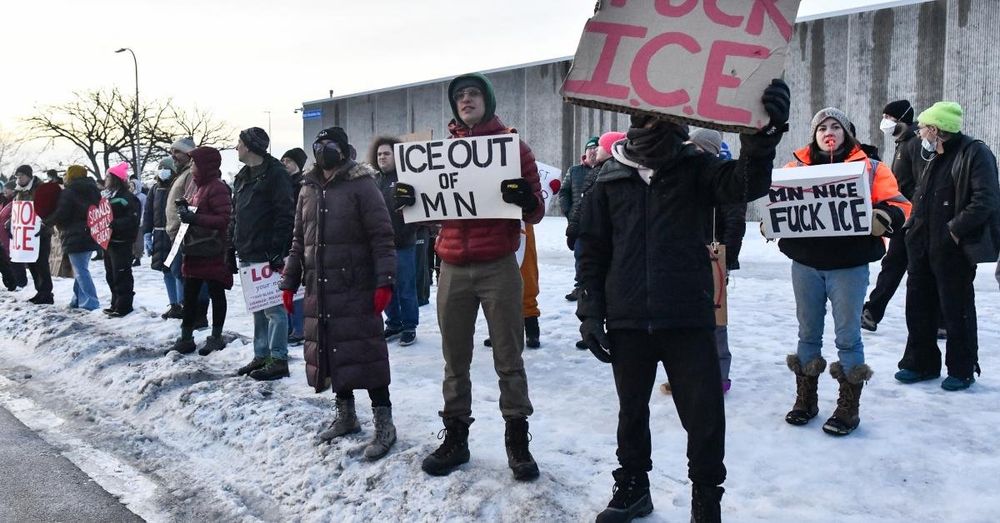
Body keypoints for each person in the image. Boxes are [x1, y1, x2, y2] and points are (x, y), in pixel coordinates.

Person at [578, 81, 789, 523]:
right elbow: (593, 248)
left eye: (666, 114)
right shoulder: (609, 175)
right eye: (649, 114)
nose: (657, 121)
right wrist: (591, 312)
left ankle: (706, 499)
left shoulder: (698, 167)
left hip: (687, 314)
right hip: (628, 317)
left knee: (704, 414)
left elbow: (748, 183)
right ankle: (633, 487)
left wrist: (762, 136)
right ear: (634, 117)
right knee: (631, 411)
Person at [395, 73, 543, 481]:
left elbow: (536, 212)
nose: (466, 100)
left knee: (509, 359)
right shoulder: (438, 155)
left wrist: (526, 199)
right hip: (453, 267)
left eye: (473, 93)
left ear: (488, 101)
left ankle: (518, 441)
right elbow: (428, 210)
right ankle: (456, 437)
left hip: (498, 263)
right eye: (459, 96)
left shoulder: (515, 149)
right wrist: (408, 199)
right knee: (454, 360)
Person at [778, 107, 910, 437]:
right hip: (806, 263)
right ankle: (805, 400)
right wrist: (772, 218)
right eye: (821, 127)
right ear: (814, 135)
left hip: (849, 266)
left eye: (835, 125)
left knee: (847, 335)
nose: (828, 131)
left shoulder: (871, 168)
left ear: (846, 132)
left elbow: (900, 204)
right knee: (807, 333)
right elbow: (779, 201)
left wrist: (886, 216)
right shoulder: (795, 167)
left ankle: (848, 409)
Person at [280, 126, 398, 460]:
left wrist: (384, 281)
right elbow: (298, 240)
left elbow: (382, 237)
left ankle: (384, 424)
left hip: (355, 286)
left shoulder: (362, 185)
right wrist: (289, 283)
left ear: (344, 151)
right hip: (320, 287)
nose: (323, 151)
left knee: (367, 356)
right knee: (332, 352)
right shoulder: (307, 189)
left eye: (330, 145)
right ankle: (345, 415)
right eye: (318, 145)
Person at [896, 101, 1000, 391]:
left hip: (952, 249)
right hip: (920, 245)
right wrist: (911, 227)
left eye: (923, 128)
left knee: (957, 309)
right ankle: (920, 363)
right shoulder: (932, 156)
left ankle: (962, 369)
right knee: (918, 306)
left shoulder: (974, 153)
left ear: (936, 129)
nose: (919, 134)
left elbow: (986, 200)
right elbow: (921, 195)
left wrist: (954, 231)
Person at [230, 127, 295, 380]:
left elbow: (284, 213)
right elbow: (236, 214)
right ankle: (262, 355)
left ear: (250, 146)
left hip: (267, 253)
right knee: (257, 306)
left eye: (239, 143)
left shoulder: (275, 174)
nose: (236, 148)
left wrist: (278, 249)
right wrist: (231, 245)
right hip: (247, 249)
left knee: (273, 308)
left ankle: (278, 358)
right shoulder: (242, 176)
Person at [691, 129, 746, 394]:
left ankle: (720, 374)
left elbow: (735, 222)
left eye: (696, 147)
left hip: (714, 257)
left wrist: (725, 259)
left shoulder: (726, 178)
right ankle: (688, 373)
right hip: (685, 258)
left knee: (715, 320)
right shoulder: (685, 177)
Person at [861, 100, 922, 331]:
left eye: (889, 117)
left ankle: (872, 312)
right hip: (904, 216)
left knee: (904, 267)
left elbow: (921, 181)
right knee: (895, 265)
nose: (884, 121)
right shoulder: (904, 143)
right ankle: (871, 312)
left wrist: (913, 212)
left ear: (902, 119)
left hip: (911, 217)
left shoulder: (914, 144)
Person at [169, 147, 233, 356]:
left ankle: (216, 336)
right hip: (195, 249)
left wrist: (194, 218)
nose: (192, 166)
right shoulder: (197, 187)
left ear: (205, 165)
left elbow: (224, 219)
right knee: (190, 295)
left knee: (216, 293)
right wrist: (186, 211)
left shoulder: (217, 187)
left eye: (195, 163)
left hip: (212, 250)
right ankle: (186, 337)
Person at [568, 131, 624, 350]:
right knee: (587, 273)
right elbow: (578, 202)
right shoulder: (585, 172)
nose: (594, 150)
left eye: (599, 146)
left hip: (599, 238)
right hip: (587, 233)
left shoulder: (608, 174)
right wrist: (573, 226)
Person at [370, 136, 420, 346]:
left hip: (403, 243)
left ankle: (409, 325)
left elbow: (418, 206)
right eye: (379, 154)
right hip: (380, 248)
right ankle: (394, 323)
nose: (382, 157)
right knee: (386, 286)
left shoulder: (406, 178)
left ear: (396, 155)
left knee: (406, 287)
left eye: (387, 153)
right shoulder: (373, 181)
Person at [42, 165, 101, 310]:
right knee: (81, 269)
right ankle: (78, 299)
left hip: (74, 234)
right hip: (90, 233)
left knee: (81, 271)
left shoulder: (69, 192)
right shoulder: (94, 190)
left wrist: (47, 221)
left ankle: (91, 302)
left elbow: (62, 212)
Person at [165, 137, 209, 329]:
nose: (172, 156)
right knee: (179, 272)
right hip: (178, 233)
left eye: (177, 152)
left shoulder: (190, 175)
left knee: (190, 276)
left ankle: (197, 314)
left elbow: (193, 203)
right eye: (172, 152)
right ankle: (189, 310)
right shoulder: (182, 174)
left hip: (186, 233)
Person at [144, 157, 185, 319]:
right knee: (165, 269)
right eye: (160, 168)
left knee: (178, 270)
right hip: (159, 234)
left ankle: (182, 303)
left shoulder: (178, 186)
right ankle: (173, 303)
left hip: (175, 234)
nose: (163, 171)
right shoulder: (155, 189)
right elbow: (148, 213)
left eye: (165, 168)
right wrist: (147, 233)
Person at [560, 136, 599, 301]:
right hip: (579, 223)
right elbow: (564, 192)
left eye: (597, 148)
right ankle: (580, 287)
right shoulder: (574, 171)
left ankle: (597, 288)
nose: (593, 151)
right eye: (590, 148)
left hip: (600, 223)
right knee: (580, 256)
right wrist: (569, 212)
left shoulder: (607, 169)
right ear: (585, 152)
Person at [102, 162, 141, 317]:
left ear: (115, 178)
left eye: (108, 176)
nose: (105, 179)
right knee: (110, 274)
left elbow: (132, 219)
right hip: (108, 242)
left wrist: (114, 224)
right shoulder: (108, 196)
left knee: (121, 274)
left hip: (121, 242)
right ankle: (115, 302)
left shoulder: (127, 198)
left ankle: (124, 305)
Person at [12, 165, 55, 304]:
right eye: (17, 177)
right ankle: (40, 291)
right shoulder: (19, 191)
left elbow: (49, 208)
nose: (19, 179)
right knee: (31, 263)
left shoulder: (40, 189)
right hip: (26, 233)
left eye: (22, 176)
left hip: (41, 232)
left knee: (41, 263)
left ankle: (47, 293)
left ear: (29, 175)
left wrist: (45, 224)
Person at [280, 147, 308, 346]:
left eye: (288, 161)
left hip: (298, 240)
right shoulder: (282, 184)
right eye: (283, 160)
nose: (285, 164)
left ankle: (299, 328)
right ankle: (290, 326)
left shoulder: (303, 185)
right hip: (285, 241)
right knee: (286, 284)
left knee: (297, 285)